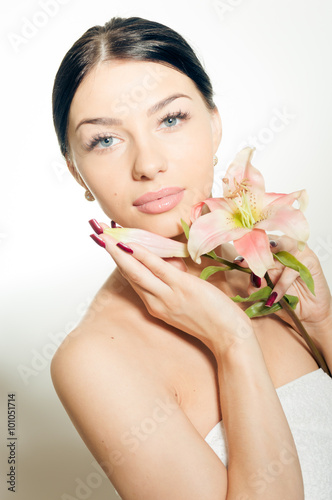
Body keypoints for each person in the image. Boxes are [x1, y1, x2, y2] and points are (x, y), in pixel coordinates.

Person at [50, 16, 332, 500]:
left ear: (215, 124)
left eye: (171, 119)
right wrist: (232, 342)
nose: (148, 163)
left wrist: (323, 321)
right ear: (77, 172)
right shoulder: (93, 359)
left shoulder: (266, 266)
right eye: (105, 140)